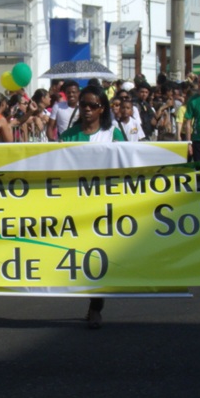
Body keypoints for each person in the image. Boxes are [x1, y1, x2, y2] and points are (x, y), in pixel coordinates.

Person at [61, 85, 125, 329]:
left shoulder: (113, 134)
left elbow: (128, 166)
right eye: (83, 105)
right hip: (74, 206)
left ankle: (95, 307)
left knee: (97, 257)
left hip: (104, 207)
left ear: (102, 109)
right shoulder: (68, 136)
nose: (87, 109)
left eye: (93, 105)